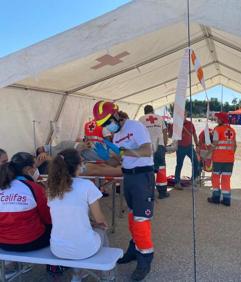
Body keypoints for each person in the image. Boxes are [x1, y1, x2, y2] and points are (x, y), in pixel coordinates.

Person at [93, 100, 154, 281]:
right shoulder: (117, 135)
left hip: (143, 176)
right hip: (128, 176)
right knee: (132, 215)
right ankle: (135, 248)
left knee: (141, 219)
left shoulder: (135, 126)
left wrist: (122, 152)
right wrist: (105, 158)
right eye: (103, 124)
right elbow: (119, 161)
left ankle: (145, 258)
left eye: (107, 122)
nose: (107, 126)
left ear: (117, 115)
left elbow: (146, 150)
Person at [47, 149, 109, 281]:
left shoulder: (52, 188)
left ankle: (78, 275)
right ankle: (107, 276)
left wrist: (91, 223)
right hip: (84, 249)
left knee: (85, 231)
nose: (83, 164)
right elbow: (100, 219)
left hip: (57, 249)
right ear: (77, 165)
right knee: (103, 231)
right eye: (82, 161)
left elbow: (65, 215)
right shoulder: (86, 185)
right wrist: (98, 224)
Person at [0, 152, 51, 251]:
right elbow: (47, 217)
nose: (36, 170)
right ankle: (54, 265)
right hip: (31, 241)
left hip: (3, 242)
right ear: (28, 170)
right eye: (35, 167)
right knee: (56, 228)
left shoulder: (2, 184)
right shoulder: (33, 187)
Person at [139, 105, 169, 199]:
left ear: (145, 112)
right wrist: (164, 144)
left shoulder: (141, 119)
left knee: (148, 169)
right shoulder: (159, 118)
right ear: (153, 111)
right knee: (161, 168)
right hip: (159, 145)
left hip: (147, 147)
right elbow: (165, 132)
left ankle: (149, 194)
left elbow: (138, 134)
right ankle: (162, 193)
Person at [207, 112, 237, 206]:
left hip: (218, 159)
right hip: (229, 160)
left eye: (218, 118)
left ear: (222, 119)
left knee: (215, 178)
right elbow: (235, 146)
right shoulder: (232, 130)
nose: (216, 120)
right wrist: (230, 154)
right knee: (226, 179)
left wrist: (207, 153)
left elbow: (215, 144)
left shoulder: (217, 129)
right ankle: (226, 200)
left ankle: (216, 198)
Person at [174, 114, 201, 190]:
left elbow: (194, 135)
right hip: (180, 148)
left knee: (195, 161)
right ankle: (177, 182)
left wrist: (197, 145)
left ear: (186, 115)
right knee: (179, 165)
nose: (183, 116)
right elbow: (171, 136)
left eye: (184, 114)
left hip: (189, 147)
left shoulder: (190, 124)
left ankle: (194, 178)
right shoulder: (176, 125)